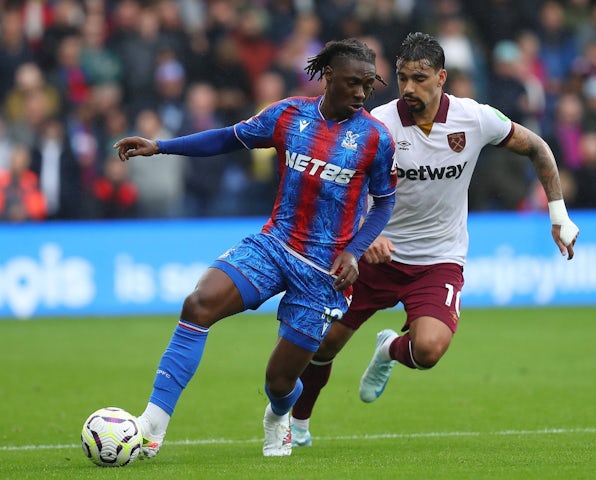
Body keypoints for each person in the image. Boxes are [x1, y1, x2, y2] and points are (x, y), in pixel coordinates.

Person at [290, 32, 580, 447]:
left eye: (420, 78)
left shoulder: (475, 118)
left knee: (427, 351)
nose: (409, 87)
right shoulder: (378, 125)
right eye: (404, 77)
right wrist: (361, 236)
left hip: (439, 259)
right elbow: (340, 187)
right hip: (375, 256)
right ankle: (298, 423)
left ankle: (389, 349)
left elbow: (537, 147)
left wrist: (558, 214)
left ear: (442, 77)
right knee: (322, 346)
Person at [113, 38, 397, 457]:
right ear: (328, 77)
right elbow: (228, 138)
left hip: (325, 274)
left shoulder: (375, 138)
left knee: (279, 383)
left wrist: (355, 250)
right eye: (353, 83)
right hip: (274, 245)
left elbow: (385, 200)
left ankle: (278, 415)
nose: (360, 93)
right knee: (199, 304)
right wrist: (161, 146)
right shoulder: (288, 115)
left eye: (367, 86)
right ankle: (151, 427)